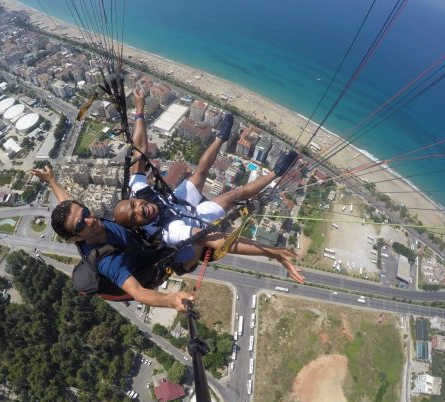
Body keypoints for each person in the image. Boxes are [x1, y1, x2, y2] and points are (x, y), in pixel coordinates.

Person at [114, 89, 304, 283]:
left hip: (177, 204)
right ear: (137, 225)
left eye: (134, 204)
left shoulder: (138, 188)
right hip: (191, 222)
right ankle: (277, 172)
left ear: (133, 197)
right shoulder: (171, 232)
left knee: (200, 172)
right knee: (235, 195)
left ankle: (221, 137)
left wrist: (139, 109)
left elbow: (139, 150)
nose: (140, 208)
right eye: (134, 215)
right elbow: (219, 241)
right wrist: (272, 252)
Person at [29, 165, 194, 312]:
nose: (90, 221)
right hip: (151, 263)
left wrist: (51, 180)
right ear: (75, 238)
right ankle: (184, 267)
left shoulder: (86, 225)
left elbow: (66, 202)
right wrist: (170, 300)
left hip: (141, 243)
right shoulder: (106, 261)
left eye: (86, 213)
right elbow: (138, 293)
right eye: (81, 225)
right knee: (197, 245)